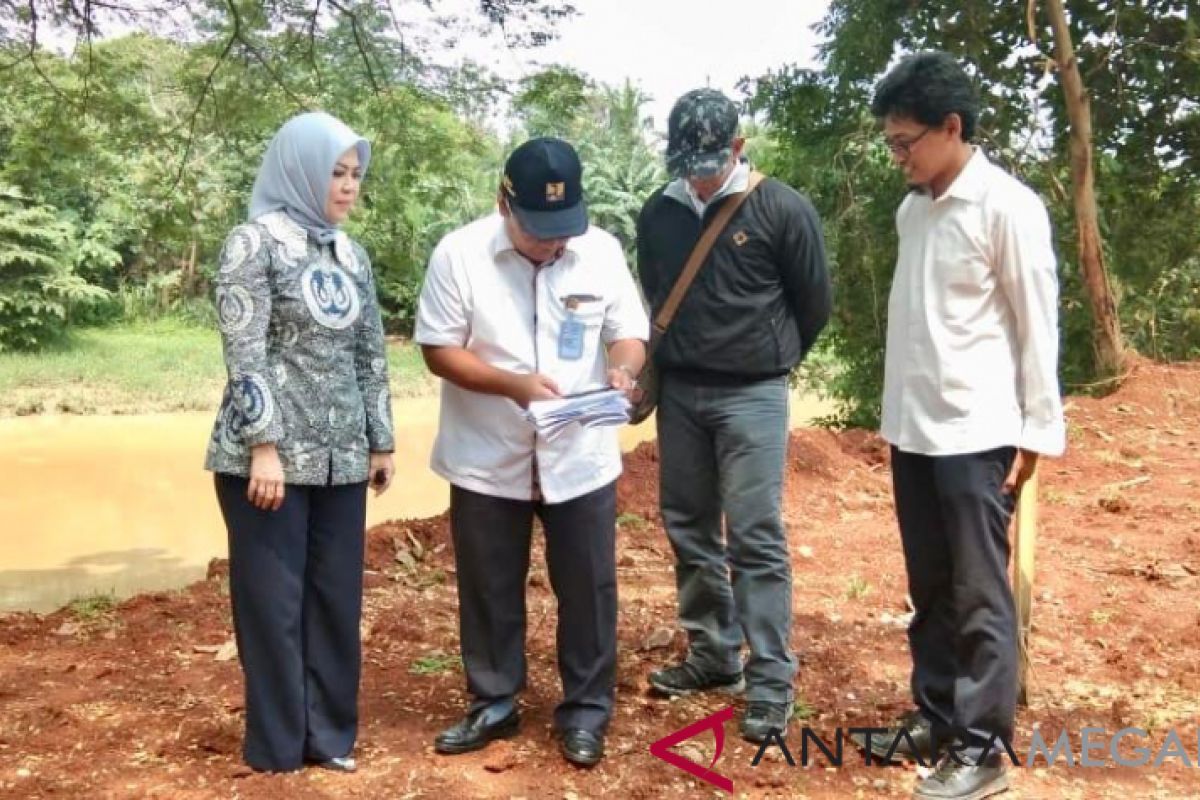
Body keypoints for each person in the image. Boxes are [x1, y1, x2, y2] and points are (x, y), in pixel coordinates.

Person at [860, 52, 1066, 800]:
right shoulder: (914, 210)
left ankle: (982, 749)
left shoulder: (1007, 208)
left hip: (979, 434)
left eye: (906, 141)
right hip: (914, 429)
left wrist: (1038, 430)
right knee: (930, 587)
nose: (899, 156)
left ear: (952, 127)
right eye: (891, 143)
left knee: (981, 594)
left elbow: (1037, 326)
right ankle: (937, 714)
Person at [415, 137, 648, 767]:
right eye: (540, 231)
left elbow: (628, 332)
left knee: (590, 587)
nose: (555, 244)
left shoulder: (600, 252)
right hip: (489, 453)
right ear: (502, 203)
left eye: (564, 229)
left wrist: (623, 371)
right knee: (489, 586)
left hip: (581, 453)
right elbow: (438, 348)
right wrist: (513, 385)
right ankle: (494, 702)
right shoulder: (459, 255)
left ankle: (586, 711)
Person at [636, 88, 831, 743]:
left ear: (739, 149)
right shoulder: (656, 214)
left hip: (754, 395)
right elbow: (656, 293)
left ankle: (771, 678)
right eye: (687, 161)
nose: (697, 174)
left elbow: (814, 306)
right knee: (689, 527)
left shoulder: (782, 208)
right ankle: (714, 656)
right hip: (683, 395)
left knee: (754, 534)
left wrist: (766, 358)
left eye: (710, 162)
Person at [204, 111, 396, 773]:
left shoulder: (352, 255)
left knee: (335, 602)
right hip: (268, 463)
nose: (347, 187)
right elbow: (245, 353)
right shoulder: (252, 244)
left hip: (343, 458)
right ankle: (279, 748)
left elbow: (371, 354)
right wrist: (265, 446)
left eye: (353, 175)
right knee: (274, 607)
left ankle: (330, 739)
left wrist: (381, 440)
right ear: (301, 171)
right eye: (335, 174)